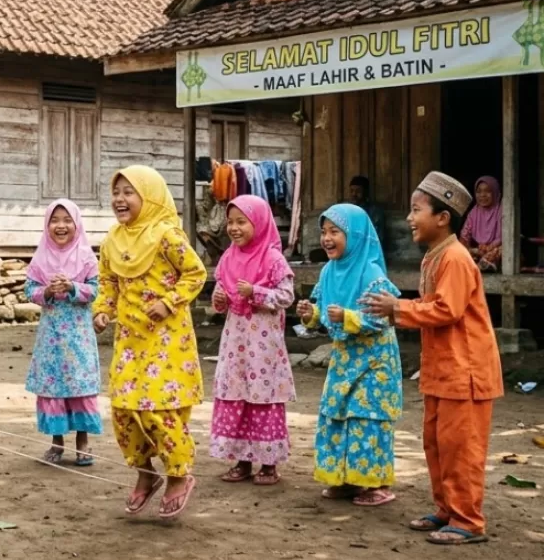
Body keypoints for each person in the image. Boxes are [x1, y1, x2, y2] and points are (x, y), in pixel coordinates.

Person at [364, 172, 504, 545]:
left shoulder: (455, 258)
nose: (410, 218)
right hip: (444, 370)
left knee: (461, 448)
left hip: (466, 371)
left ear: (443, 218)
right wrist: (398, 308)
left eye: (416, 210)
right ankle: (446, 509)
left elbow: (447, 310)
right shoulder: (434, 256)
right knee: (437, 443)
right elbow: (433, 307)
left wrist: (399, 308)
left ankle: (468, 521)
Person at [92, 166, 206, 520]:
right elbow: (108, 280)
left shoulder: (167, 235)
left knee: (157, 408)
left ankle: (178, 474)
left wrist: (169, 301)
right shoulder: (113, 239)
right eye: (117, 192)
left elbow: (196, 272)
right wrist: (101, 310)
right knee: (124, 410)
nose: (120, 200)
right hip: (129, 338)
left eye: (129, 192)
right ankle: (145, 472)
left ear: (151, 196)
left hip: (166, 339)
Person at [296, 203, 401, 507]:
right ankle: (345, 480)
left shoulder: (371, 272)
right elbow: (326, 313)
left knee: (367, 418)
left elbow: (381, 318)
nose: (327, 238)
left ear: (354, 235)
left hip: (375, 361)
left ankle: (376, 484)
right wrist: (310, 314)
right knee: (337, 414)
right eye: (324, 232)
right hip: (344, 360)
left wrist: (348, 317)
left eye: (335, 232)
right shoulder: (329, 271)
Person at [209, 195, 296, 486]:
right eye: (230, 222)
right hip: (235, 344)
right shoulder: (228, 258)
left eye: (241, 222)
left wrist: (256, 292)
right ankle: (242, 461)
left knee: (263, 397)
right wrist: (219, 298)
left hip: (263, 345)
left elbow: (287, 297)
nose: (234, 228)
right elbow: (221, 298)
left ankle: (269, 465)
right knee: (237, 395)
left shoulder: (273, 259)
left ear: (258, 222)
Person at [24, 199, 102, 466]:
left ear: (77, 223)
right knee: (53, 387)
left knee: (79, 387)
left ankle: (83, 444)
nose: (61, 226)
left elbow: (95, 290)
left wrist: (72, 287)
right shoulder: (40, 256)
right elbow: (29, 290)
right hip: (51, 336)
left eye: (67, 220)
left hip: (78, 336)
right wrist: (45, 291)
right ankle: (56, 445)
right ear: (47, 225)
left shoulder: (87, 256)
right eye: (54, 220)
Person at [459, 175, 502, 271]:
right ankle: (479, 264)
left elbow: (502, 236)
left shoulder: (501, 210)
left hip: (496, 249)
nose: (482, 195)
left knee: (500, 251)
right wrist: (466, 248)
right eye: (479, 192)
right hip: (480, 251)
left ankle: (483, 265)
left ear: (495, 193)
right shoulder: (474, 212)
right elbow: (464, 235)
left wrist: (489, 247)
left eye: (488, 191)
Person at [347, 176, 386, 250]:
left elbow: (378, 239)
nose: (354, 194)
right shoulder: (347, 210)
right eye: (351, 191)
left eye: (358, 191)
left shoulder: (374, 212)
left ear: (365, 192)